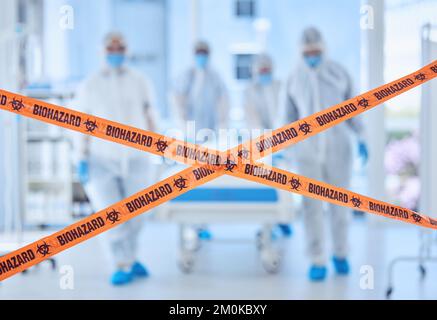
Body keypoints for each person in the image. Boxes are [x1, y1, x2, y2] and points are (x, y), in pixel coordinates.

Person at [284, 27, 368, 281]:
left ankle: (340, 253)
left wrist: (362, 137)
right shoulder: (293, 78)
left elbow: (354, 109)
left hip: (338, 147)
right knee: (311, 206)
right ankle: (316, 258)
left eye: (316, 51)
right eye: (307, 52)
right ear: (301, 52)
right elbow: (287, 119)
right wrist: (285, 150)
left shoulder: (338, 73)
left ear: (324, 49)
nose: (312, 56)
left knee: (339, 203)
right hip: (307, 150)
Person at [74, 32, 159, 286]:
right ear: (103, 51)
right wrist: (81, 155)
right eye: (110, 48)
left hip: (137, 157)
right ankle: (122, 263)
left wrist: (159, 146)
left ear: (126, 49)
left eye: (119, 47)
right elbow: (82, 123)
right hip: (101, 158)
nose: (115, 52)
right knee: (112, 213)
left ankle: (130, 257)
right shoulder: (90, 84)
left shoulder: (140, 81)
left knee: (138, 212)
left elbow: (150, 113)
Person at [172, 40, 229, 240]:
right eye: (199, 52)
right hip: (190, 136)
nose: (201, 56)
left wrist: (222, 125)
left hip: (210, 135)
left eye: (204, 52)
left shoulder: (215, 78)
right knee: (190, 179)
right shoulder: (186, 76)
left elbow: (223, 101)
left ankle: (203, 223)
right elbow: (177, 99)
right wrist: (183, 123)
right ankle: (191, 222)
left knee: (206, 180)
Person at [243, 53, 292, 238]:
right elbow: (252, 119)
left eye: (267, 70)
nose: (264, 73)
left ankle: (283, 220)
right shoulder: (250, 91)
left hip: (284, 144)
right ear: (255, 71)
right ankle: (268, 225)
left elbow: (287, 114)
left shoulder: (281, 87)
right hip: (262, 144)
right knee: (267, 186)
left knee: (284, 185)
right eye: (261, 70)